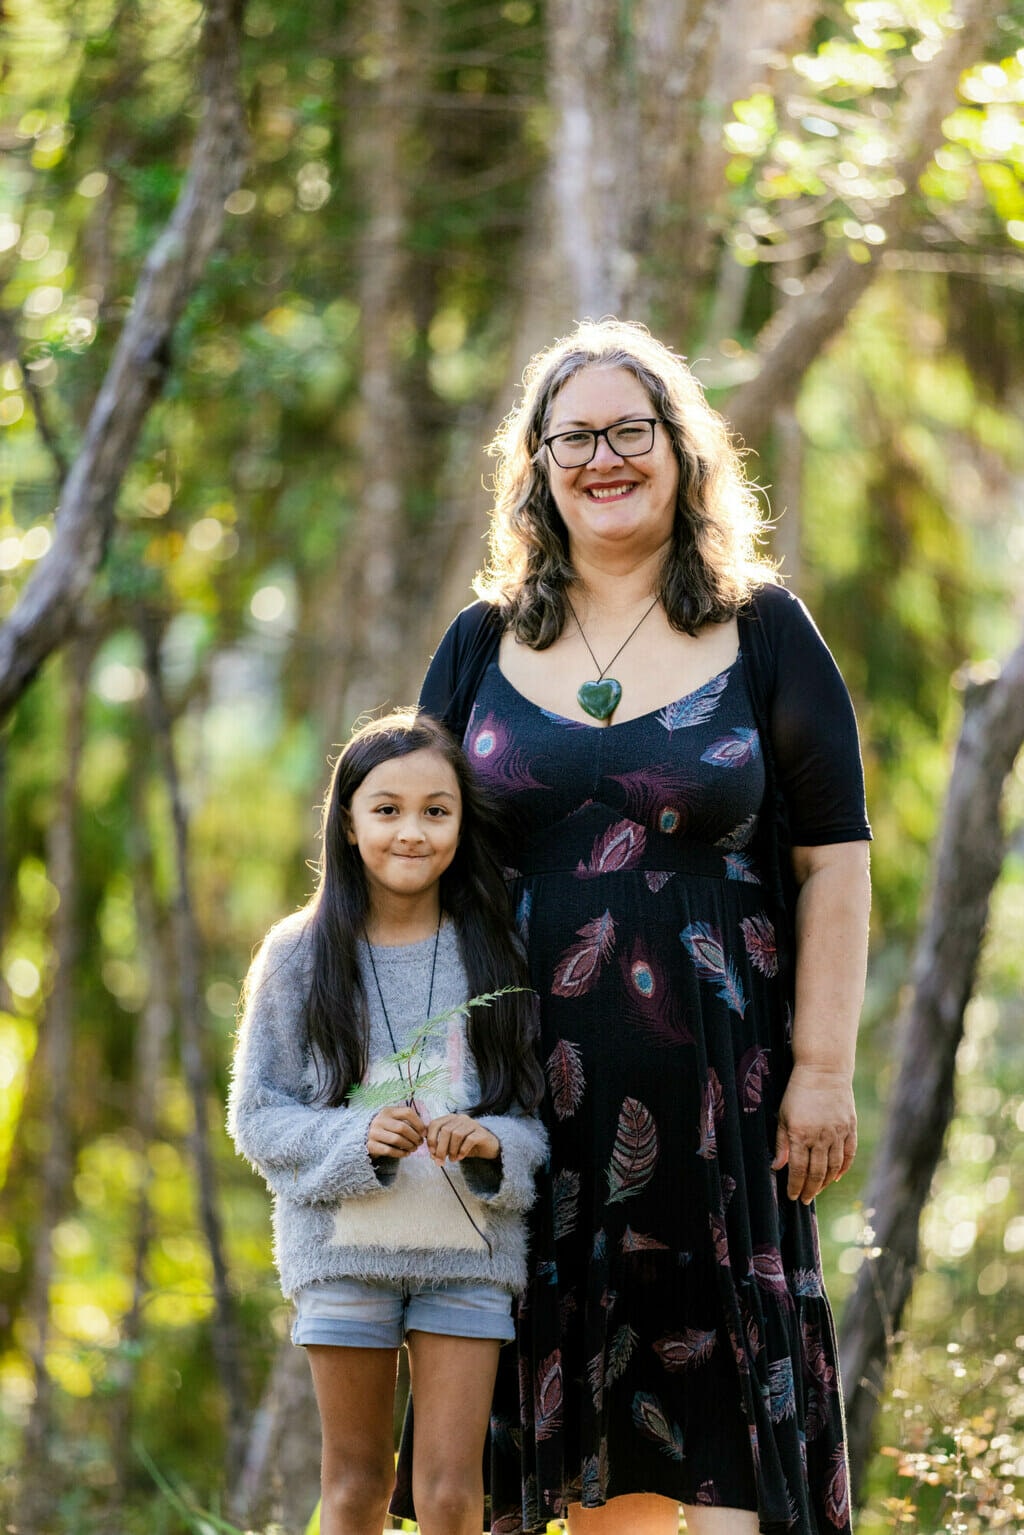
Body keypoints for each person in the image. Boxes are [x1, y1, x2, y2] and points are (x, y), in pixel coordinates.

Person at [417, 320, 872, 1535]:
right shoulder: (479, 644)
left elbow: (836, 862)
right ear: (537, 463)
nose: (603, 457)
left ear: (681, 451)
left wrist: (822, 1070)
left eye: (631, 429)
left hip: (726, 1112)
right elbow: (406, 862)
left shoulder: (764, 628)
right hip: (517, 1116)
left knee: (723, 1468)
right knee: (580, 1481)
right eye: (575, 435)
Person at [228, 711, 547, 1535]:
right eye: (388, 808)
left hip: (468, 1257)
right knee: (357, 1486)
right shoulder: (297, 955)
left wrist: (492, 1145)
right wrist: (352, 1142)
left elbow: (533, 1118)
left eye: (436, 810)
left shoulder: (497, 951)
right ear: (348, 820)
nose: (413, 831)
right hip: (341, 1258)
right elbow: (257, 1115)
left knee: (449, 1495)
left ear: (461, 821)